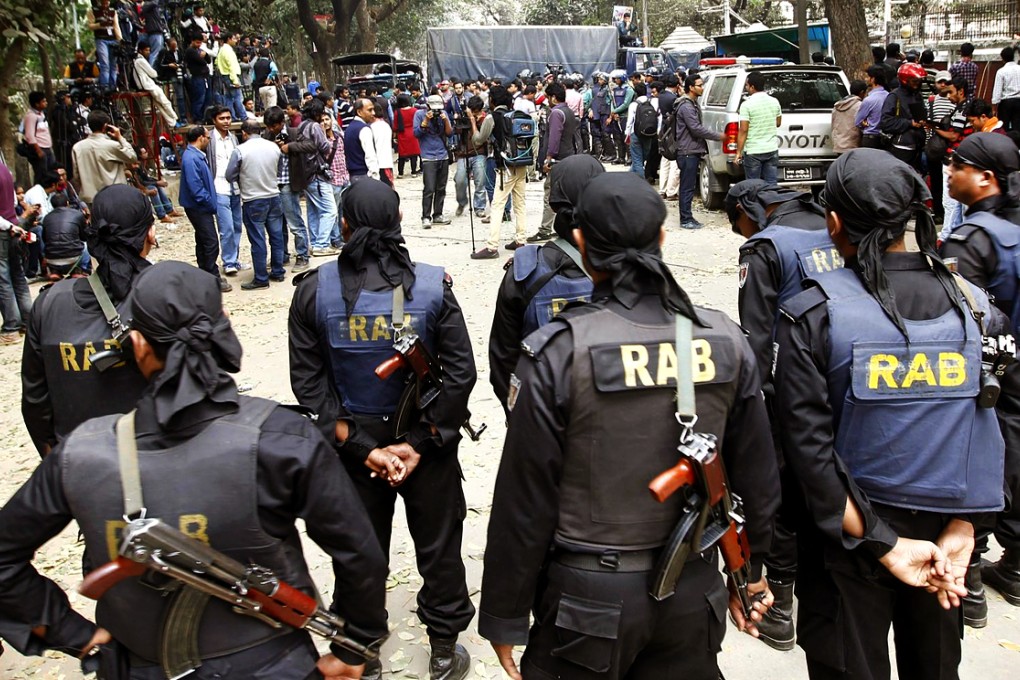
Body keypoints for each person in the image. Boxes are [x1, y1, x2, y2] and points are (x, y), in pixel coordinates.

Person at [0, 259, 390, 679]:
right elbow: (360, 554)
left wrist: (78, 637)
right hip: (272, 663)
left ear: (138, 345)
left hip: (135, 665)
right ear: (222, 326)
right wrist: (355, 648)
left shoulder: (79, 453)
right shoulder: (283, 438)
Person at [479, 172, 780, 679]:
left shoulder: (558, 353)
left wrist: (505, 614)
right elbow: (760, 479)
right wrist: (750, 572)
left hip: (587, 602)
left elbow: (523, 504)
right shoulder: (725, 339)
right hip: (693, 593)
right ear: (662, 238)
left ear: (581, 243)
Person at [774, 148, 1006, 679]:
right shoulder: (975, 307)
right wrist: (965, 527)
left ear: (833, 223)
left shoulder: (815, 313)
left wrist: (884, 541)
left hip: (849, 544)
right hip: (947, 539)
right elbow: (1000, 423)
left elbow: (806, 452)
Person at [289, 179, 476, 680]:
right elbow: (461, 376)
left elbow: (309, 389)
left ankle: (361, 650)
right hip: (427, 444)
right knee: (438, 546)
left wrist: (365, 448)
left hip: (351, 450)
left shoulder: (312, 291)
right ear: (398, 222)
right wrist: (417, 444)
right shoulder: (435, 286)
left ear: (344, 224)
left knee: (359, 550)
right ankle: (442, 647)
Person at [726, 179, 832, 650]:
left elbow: (755, 335)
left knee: (783, 496)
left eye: (738, 224)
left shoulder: (764, 247)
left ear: (750, 209)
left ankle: (780, 606)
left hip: (788, 388)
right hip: (841, 380)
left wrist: (753, 403)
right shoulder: (833, 227)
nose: (740, 234)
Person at [940, 133, 1020, 622]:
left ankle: (968, 578)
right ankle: (1013, 566)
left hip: (992, 373)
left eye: (958, 165)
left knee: (979, 456)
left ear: (985, 177)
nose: (949, 173)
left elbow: (959, 317)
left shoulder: (974, 240)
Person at [20, 184, 152, 457]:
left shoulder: (48, 304)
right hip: (154, 461)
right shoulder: (171, 295)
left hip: (78, 465)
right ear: (149, 234)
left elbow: (35, 402)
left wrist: (54, 464)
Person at [488, 155, 599, 414]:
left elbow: (502, 362)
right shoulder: (623, 267)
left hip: (540, 416)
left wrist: (521, 421)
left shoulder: (525, 271)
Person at [226, 119, 285, 290]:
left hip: (253, 199)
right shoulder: (274, 147)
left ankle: (261, 278)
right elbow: (279, 170)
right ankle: (278, 271)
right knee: (276, 236)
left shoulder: (240, 150)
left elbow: (230, 175)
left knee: (258, 240)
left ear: (244, 133)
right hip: (274, 195)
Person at [472, 86, 529, 259]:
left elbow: (478, 139)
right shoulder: (516, 115)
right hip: (521, 163)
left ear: (493, 101)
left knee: (497, 205)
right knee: (520, 203)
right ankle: (520, 240)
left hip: (505, 167)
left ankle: (492, 247)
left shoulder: (492, 117)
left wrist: (473, 122)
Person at [284, 98, 340, 257]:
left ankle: (315, 242)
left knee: (314, 210)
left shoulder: (301, 125)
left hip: (306, 174)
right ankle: (321, 244)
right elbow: (325, 147)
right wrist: (323, 133)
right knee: (330, 210)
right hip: (317, 172)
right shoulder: (315, 126)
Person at [179, 125, 232, 292]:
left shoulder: (194, 156)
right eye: (208, 138)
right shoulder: (191, 158)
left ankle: (204, 273)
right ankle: (211, 276)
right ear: (201, 138)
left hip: (200, 205)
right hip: (199, 206)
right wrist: (210, 203)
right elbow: (196, 187)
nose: (209, 141)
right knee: (210, 242)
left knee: (202, 240)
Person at [263, 106, 311, 271]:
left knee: (294, 221)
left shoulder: (294, 132)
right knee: (277, 223)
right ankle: (281, 255)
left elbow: (309, 146)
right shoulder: (267, 136)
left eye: (273, 126)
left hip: (289, 183)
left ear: (281, 123)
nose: (271, 129)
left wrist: (289, 147)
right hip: (272, 184)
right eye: (268, 126)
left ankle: (303, 255)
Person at [530, 82, 578, 244]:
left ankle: (545, 230)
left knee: (550, 196)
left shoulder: (556, 113)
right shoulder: (569, 112)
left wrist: (548, 158)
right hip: (570, 157)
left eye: (549, 97)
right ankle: (565, 228)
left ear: (554, 98)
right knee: (566, 196)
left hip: (558, 161)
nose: (548, 101)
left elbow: (554, 139)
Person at [676, 73, 722, 230]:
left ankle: (688, 217)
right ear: (691, 87)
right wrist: (718, 136)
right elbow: (696, 129)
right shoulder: (687, 106)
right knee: (687, 187)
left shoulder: (692, 104)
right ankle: (685, 219)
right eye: (699, 85)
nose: (702, 88)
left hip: (691, 150)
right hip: (687, 151)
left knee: (688, 186)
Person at [205, 106, 246, 276]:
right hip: (218, 187)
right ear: (214, 120)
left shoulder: (233, 139)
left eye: (228, 118)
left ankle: (234, 259)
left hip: (235, 188)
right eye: (222, 118)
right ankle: (228, 261)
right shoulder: (209, 139)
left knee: (237, 225)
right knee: (226, 226)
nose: (226, 121)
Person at [71, 110, 138, 207]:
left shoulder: (77, 147)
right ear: (105, 126)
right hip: (114, 196)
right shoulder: (112, 145)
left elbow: (76, 176)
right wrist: (120, 137)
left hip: (92, 198)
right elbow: (132, 157)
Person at [0, 162, 33, 344]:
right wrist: (13, 225)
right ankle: (27, 321)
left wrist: (8, 225)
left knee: (3, 279)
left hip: (4, 229)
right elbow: (12, 201)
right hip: (12, 226)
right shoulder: (4, 168)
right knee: (17, 276)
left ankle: (11, 326)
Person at [414, 95, 453, 228]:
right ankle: (426, 216)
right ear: (428, 106)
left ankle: (438, 214)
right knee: (429, 188)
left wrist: (445, 120)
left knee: (441, 188)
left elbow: (449, 133)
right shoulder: (419, 114)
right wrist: (426, 120)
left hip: (443, 155)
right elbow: (416, 133)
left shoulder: (444, 113)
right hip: (428, 156)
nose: (436, 111)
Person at [736, 71, 783, 183]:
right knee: (771, 184)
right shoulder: (774, 101)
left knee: (753, 185)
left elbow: (743, 130)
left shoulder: (746, 105)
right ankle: (771, 200)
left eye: (747, 85)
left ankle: (755, 201)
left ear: (752, 87)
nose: (746, 87)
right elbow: (778, 123)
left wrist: (738, 152)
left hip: (753, 151)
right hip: (771, 149)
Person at [880, 62, 927, 169]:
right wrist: (909, 123)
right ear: (905, 80)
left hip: (917, 145)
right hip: (900, 148)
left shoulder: (917, 95)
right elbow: (885, 122)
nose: (917, 84)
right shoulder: (894, 97)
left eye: (919, 81)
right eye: (914, 81)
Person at [453, 95, 488, 218]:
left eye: (476, 111)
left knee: (480, 181)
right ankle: (462, 202)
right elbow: (455, 131)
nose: (473, 114)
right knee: (459, 180)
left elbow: (478, 138)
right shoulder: (464, 117)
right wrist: (459, 120)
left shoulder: (484, 119)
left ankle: (479, 206)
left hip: (479, 153)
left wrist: (473, 121)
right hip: (463, 154)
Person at [39, 193, 88, 278]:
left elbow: (45, 239)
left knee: (51, 246)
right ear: (68, 203)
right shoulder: (78, 214)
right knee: (87, 244)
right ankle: (79, 270)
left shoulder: (46, 217)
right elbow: (84, 236)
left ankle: (55, 271)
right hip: (74, 257)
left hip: (51, 258)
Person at [134, 43, 179, 128]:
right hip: (148, 85)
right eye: (146, 50)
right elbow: (153, 73)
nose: (148, 52)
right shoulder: (140, 61)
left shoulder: (137, 60)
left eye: (149, 50)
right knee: (165, 102)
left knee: (160, 105)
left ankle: (172, 123)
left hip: (146, 85)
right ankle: (176, 118)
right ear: (140, 51)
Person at [87, 0, 122, 91]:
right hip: (101, 39)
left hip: (112, 39)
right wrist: (100, 24)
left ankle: (113, 86)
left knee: (113, 64)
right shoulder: (93, 10)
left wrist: (120, 40)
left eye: (107, 2)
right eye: (104, 3)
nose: (105, 4)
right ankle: (104, 86)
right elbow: (90, 26)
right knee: (105, 64)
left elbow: (116, 26)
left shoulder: (113, 11)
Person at [22, 92, 55, 184]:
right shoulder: (31, 116)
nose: (46, 103)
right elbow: (29, 135)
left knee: (51, 172)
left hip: (47, 147)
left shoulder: (42, 115)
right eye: (43, 101)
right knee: (41, 174)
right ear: (37, 104)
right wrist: (38, 150)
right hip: (40, 149)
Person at [215, 31, 246, 122]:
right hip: (231, 75)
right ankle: (243, 116)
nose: (236, 40)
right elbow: (231, 65)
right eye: (234, 38)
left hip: (225, 75)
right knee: (237, 97)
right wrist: (235, 81)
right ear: (228, 39)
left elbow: (216, 62)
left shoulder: (221, 50)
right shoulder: (228, 50)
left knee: (228, 98)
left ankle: (232, 116)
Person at [856, 65, 890, 148]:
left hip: (870, 138)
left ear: (873, 79)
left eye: (868, 77)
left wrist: (865, 123)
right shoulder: (889, 96)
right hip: (886, 139)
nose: (866, 79)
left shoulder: (869, 100)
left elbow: (858, 122)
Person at [184, 32, 213, 124]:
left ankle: (206, 117)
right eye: (197, 42)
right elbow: (202, 62)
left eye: (200, 43)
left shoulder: (200, 50)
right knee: (199, 98)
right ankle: (197, 118)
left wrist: (205, 55)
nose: (199, 44)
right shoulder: (190, 51)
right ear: (192, 41)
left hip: (205, 76)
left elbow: (208, 60)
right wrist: (202, 57)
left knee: (207, 98)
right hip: (197, 77)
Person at [606, 69, 634, 165]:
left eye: (617, 78)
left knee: (626, 137)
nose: (615, 80)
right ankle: (621, 157)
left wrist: (615, 111)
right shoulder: (615, 90)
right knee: (617, 138)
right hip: (616, 116)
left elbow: (626, 104)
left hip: (625, 116)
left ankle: (629, 157)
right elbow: (612, 102)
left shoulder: (629, 90)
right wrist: (613, 112)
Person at [831, 80, 866, 153]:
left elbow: (833, 125)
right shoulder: (860, 106)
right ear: (862, 92)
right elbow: (861, 125)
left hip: (838, 145)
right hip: (852, 146)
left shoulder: (837, 106)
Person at [138, 0, 167, 66]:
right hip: (154, 32)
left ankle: (154, 71)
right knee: (155, 54)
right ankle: (152, 72)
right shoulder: (148, 5)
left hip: (156, 31)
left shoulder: (153, 6)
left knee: (157, 53)